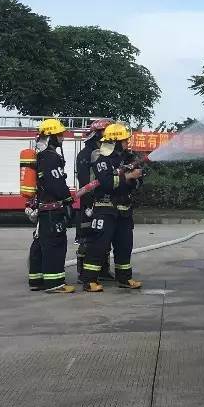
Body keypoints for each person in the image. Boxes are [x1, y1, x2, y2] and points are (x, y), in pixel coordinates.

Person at [82, 123, 145, 292]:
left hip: (124, 208)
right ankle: (89, 280)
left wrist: (133, 178)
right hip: (105, 208)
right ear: (115, 141)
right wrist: (129, 176)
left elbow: (139, 181)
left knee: (125, 245)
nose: (127, 143)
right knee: (99, 244)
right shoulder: (101, 158)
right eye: (123, 140)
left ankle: (125, 278)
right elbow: (108, 183)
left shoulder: (128, 158)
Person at [27, 118, 75, 294]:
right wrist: (68, 201)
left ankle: (37, 280)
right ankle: (54, 283)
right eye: (59, 135)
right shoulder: (50, 157)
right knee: (55, 245)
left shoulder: (42, 156)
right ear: (50, 137)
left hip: (44, 210)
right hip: (52, 210)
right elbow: (56, 184)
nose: (62, 138)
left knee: (40, 244)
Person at [74, 118, 113, 285]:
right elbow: (85, 182)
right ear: (98, 134)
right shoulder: (86, 154)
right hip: (89, 203)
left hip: (104, 203)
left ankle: (102, 271)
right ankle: (84, 273)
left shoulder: (105, 153)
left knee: (103, 238)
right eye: (107, 133)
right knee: (87, 238)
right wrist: (90, 203)